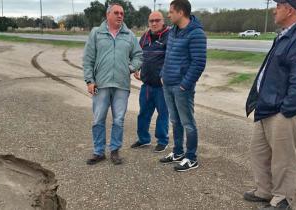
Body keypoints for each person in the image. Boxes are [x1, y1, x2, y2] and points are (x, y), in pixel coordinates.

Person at [244, 0, 296, 209]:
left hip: (282, 110)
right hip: (266, 106)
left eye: (278, 5)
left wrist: (288, 109)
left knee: (282, 158)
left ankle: (282, 198)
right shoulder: (284, 35)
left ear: (290, 9)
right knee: (259, 152)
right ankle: (264, 190)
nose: (274, 9)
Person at [82, 3, 142, 165]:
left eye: (122, 13)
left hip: (122, 85)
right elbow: (88, 59)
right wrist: (89, 80)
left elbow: (138, 56)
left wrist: (130, 68)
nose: (120, 15)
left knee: (119, 120)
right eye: (116, 13)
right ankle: (98, 152)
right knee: (98, 119)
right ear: (108, 14)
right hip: (101, 84)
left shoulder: (129, 35)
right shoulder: (96, 33)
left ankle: (115, 151)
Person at [159, 0, 207, 172]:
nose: (168, 15)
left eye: (171, 11)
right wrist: (162, 75)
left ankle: (191, 158)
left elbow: (199, 63)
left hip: (181, 87)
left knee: (188, 123)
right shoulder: (173, 31)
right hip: (168, 84)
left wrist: (184, 85)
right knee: (175, 121)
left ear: (180, 12)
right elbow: (168, 55)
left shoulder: (196, 34)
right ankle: (178, 152)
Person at [130, 11, 170, 153]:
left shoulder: (170, 36)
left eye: (157, 20)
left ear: (163, 21)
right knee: (143, 114)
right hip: (146, 85)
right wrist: (137, 67)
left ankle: (162, 141)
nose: (154, 23)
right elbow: (138, 55)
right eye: (151, 21)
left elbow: (173, 58)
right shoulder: (145, 36)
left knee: (163, 114)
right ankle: (143, 139)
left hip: (162, 87)